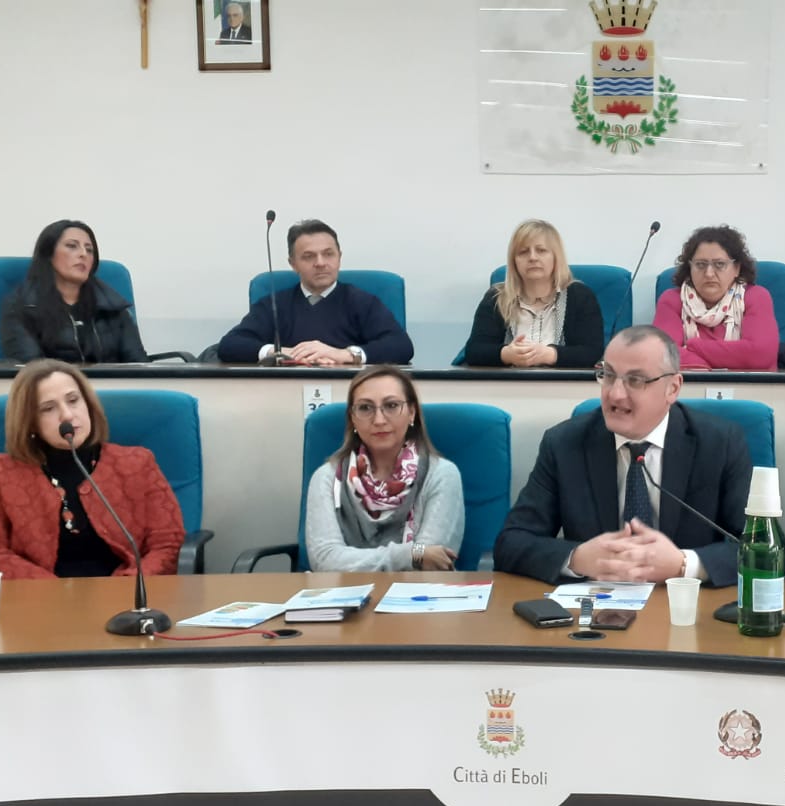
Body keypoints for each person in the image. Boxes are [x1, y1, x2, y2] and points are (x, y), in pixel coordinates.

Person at [495, 325, 752, 586]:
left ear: (672, 388)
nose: (615, 394)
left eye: (635, 380)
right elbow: (511, 543)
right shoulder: (564, 444)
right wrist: (577, 558)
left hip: (685, 604)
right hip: (596, 604)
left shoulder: (719, 443)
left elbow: (761, 548)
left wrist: (683, 564)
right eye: (608, 375)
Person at [0, 360, 185, 579]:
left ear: (88, 404)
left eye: (73, 400)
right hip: (39, 599)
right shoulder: (1, 473)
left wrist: (126, 587)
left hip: (124, 595)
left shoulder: (137, 463)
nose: (67, 415)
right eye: (48, 408)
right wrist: (54, 592)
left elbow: (166, 543)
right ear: (30, 422)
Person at [305, 365, 464, 572]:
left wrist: (355, 562)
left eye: (391, 406)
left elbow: (433, 564)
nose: (379, 420)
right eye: (365, 408)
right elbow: (324, 561)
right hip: (342, 592)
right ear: (352, 418)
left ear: (412, 413)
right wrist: (410, 554)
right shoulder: (327, 477)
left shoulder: (442, 475)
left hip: (416, 592)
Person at [216, 219, 413, 365]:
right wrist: (282, 353)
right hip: (284, 391)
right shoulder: (275, 304)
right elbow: (230, 345)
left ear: (339, 257)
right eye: (309, 256)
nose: (320, 263)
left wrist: (344, 355)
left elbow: (401, 346)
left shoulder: (362, 302)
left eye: (328, 254)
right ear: (293, 264)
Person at [0, 220, 149, 364]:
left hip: (111, 382)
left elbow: (138, 365)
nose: (83, 254)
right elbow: (32, 369)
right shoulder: (22, 306)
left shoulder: (113, 306)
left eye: (89, 250)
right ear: (48, 254)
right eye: (72, 246)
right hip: (51, 382)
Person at [462, 219, 604, 368]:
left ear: (556, 257)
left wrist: (549, 355)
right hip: (509, 381)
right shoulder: (496, 297)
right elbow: (474, 351)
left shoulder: (580, 296)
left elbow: (592, 352)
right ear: (514, 261)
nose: (532, 258)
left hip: (562, 382)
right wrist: (506, 354)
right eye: (523, 252)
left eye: (541, 250)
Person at [651, 225, 779, 371]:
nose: (709, 273)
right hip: (687, 384)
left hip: (748, 385)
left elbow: (760, 355)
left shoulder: (755, 297)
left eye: (719, 264)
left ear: (736, 268)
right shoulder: (673, 300)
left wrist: (692, 346)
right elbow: (662, 356)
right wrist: (727, 362)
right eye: (700, 265)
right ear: (690, 267)